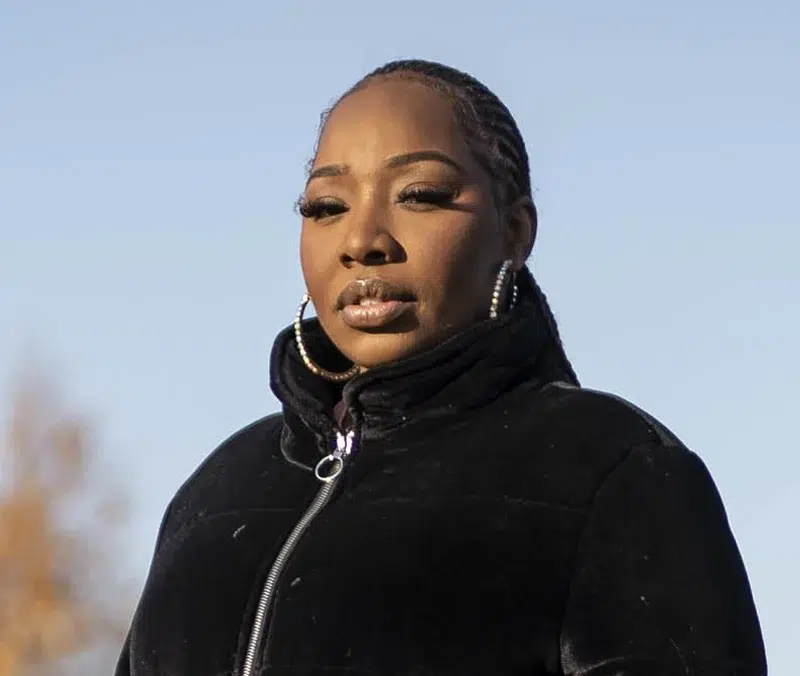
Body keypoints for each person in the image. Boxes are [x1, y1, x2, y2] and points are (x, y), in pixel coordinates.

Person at [115, 59, 767, 676]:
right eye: (325, 207)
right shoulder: (215, 492)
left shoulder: (615, 470)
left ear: (515, 232)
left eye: (420, 194)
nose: (362, 241)